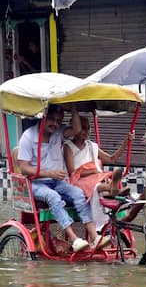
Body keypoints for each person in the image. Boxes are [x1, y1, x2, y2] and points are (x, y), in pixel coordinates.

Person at [16, 104, 109, 253]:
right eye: (52, 119)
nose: (55, 124)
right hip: (35, 183)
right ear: (43, 117)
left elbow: (77, 130)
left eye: (59, 120)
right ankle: (74, 239)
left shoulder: (59, 132)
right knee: (53, 196)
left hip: (57, 181)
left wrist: (73, 108)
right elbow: (24, 168)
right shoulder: (29, 136)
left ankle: (94, 236)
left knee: (78, 193)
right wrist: (49, 173)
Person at [63, 108, 134, 232]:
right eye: (83, 128)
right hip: (77, 181)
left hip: (95, 178)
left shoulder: (92, 146)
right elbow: (72, 172)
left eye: (88, 128)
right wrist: (93, 172)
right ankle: (111, 188)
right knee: (96, 183)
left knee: (99, 180)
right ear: (75, 129)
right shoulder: (68, 147)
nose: (86, 131)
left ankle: (112, 188)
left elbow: (112, 159)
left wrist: (126, 142)